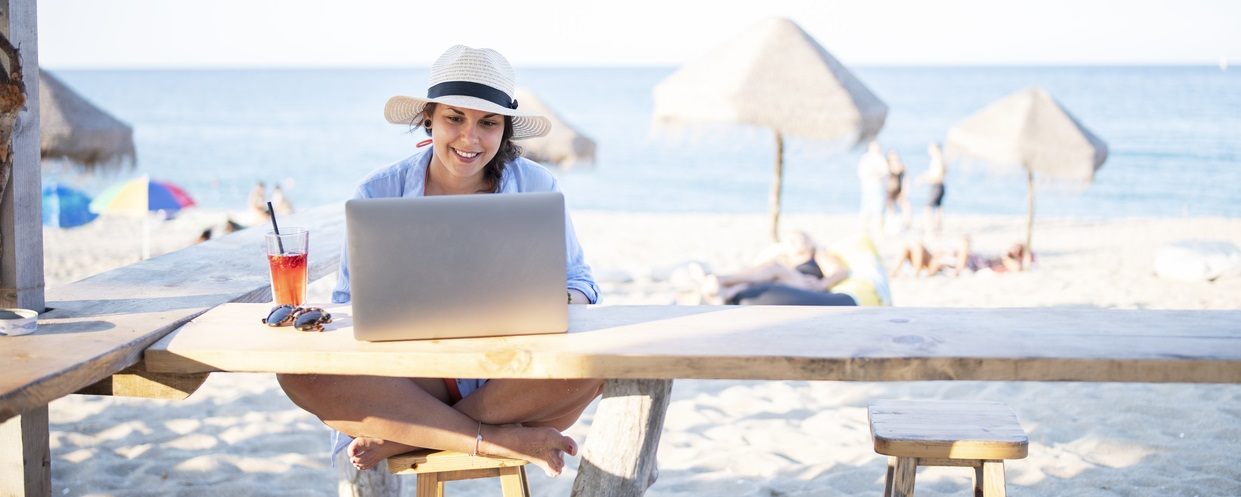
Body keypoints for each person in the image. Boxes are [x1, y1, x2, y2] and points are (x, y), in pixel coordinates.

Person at [275, 46, 601, 478]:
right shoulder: (379, 191)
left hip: (508, 374)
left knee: (597, 367)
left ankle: (416, 431)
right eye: (455, 118)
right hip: (414, 377)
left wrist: (554, 298)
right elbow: (349, 302)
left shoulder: (537, 184)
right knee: (299, 373)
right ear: (429, 118)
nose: (470, 138)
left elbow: (582, 283)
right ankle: (494, 437)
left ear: (505, 129)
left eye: (488, 122)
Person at [699, 231, 857, 306]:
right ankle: (725, 293)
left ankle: (720, 279)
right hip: (784, 286)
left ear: (809, 241)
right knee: (762, 274)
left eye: (797, 239)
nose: (792, 243)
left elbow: (841, 271)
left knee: (774, 268)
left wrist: (823, 283)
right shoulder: (786, 259)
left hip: (805, 286)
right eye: (789, 241)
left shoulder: (817, 255)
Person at [890, 237, 1033, 278]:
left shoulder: (1006, 261)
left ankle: (916, 273)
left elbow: (1017, 268)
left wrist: (1010, 257)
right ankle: (894, 273)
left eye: (1016, 249)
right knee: (911, 246)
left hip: (961, 264)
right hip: (946, 258)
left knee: (964, 242)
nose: (1011, 248)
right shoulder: (1002, 255)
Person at [857, 140, 888, 237]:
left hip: (878, 187)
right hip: (868, 187)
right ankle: (863, 230)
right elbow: (862, 173)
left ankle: (879, 231)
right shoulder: (866, 158)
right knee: (865, 209)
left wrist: (876, 173)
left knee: (878, 210)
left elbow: (885, 172)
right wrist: (874, 173)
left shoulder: (880, 158)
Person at [919, 142, 947, 233]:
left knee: (927, 208)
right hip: (940, 186)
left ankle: (930, 228)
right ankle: (938, 228)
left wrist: (925, 179)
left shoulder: (937, 160)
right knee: (938, 208)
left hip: (936, 186)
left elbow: (937, 176)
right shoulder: (941, 160)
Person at [883, 149, 912, 232]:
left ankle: (907, 225)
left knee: (906, 207)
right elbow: (885, 179)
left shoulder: (901, 167)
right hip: (890, 190)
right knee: (890, 209)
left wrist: (904, 191)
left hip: (899, 189)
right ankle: (890, 227)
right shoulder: (887, 167)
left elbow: (906, 180)